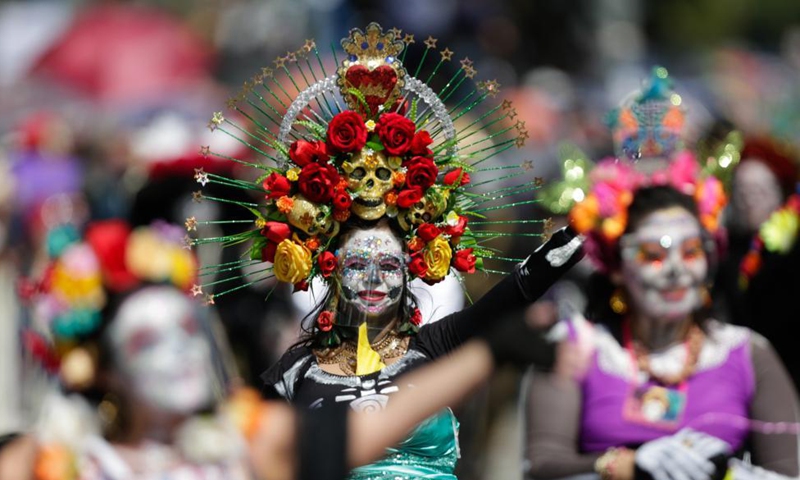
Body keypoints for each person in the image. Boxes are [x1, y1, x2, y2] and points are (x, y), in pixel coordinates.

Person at [188, 23, 585, 480]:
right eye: (357, 264)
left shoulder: (435, 345)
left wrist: (574, 243)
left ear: (411, 268)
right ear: (331, 268)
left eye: (388, 265)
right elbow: (245, 440)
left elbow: (516, 291)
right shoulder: (294, 370)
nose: (374, 280)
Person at [0, 217, 569, 480]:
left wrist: (526, 295)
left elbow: (365, 435)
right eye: (148, 340)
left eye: (389, 264)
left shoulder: (241, 443)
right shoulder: (55, 458)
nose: (372, 279)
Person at [522, 69, 800, 480]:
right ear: (617, 266)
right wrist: (626, 465)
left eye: (690, 251)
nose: (675, 270)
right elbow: (539, 466)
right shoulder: (577, 349)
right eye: (653, 253)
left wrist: (727, 474)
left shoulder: (747, 353)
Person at [712, 135, 800, 392]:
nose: (750, 200)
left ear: (780, 194)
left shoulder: (791, 247)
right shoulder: (727, 251)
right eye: (742, 191)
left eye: (760, 191)